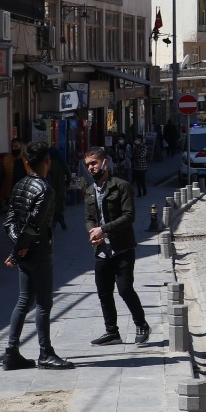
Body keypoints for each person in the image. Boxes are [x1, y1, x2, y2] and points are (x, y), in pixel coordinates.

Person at [2, 142, 74, 371]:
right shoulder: (45, 190)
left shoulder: (20, 185)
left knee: (23, 301)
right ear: (46, 162)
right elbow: (35, 224)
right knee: (43, 303)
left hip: (26, 251)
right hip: (40, 251)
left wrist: (18, 247)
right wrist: (18, 250)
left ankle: (11, 351)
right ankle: (45, 353)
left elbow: (9, 222)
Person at [84, 147, 148, 346]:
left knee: (125, 289)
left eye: (94, 163)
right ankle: (112, 332)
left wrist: (103, 230)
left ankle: (141, 324)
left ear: (105, 163)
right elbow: (89, 218)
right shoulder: (89, 190)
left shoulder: (121, 186)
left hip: (122, 248)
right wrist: (92, 232)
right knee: (104, 292)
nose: (91, 168)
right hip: (101, 251)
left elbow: (129, 216)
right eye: (87, 165)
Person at [46, 146, 71, 231]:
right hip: (60, 188)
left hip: (49, 188)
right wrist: (66, 184)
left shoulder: (48, 163)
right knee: (59, 205)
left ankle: (55, 222)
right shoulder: (62, 162)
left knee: (51, 206)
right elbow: (69, 175)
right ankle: (59, 219)